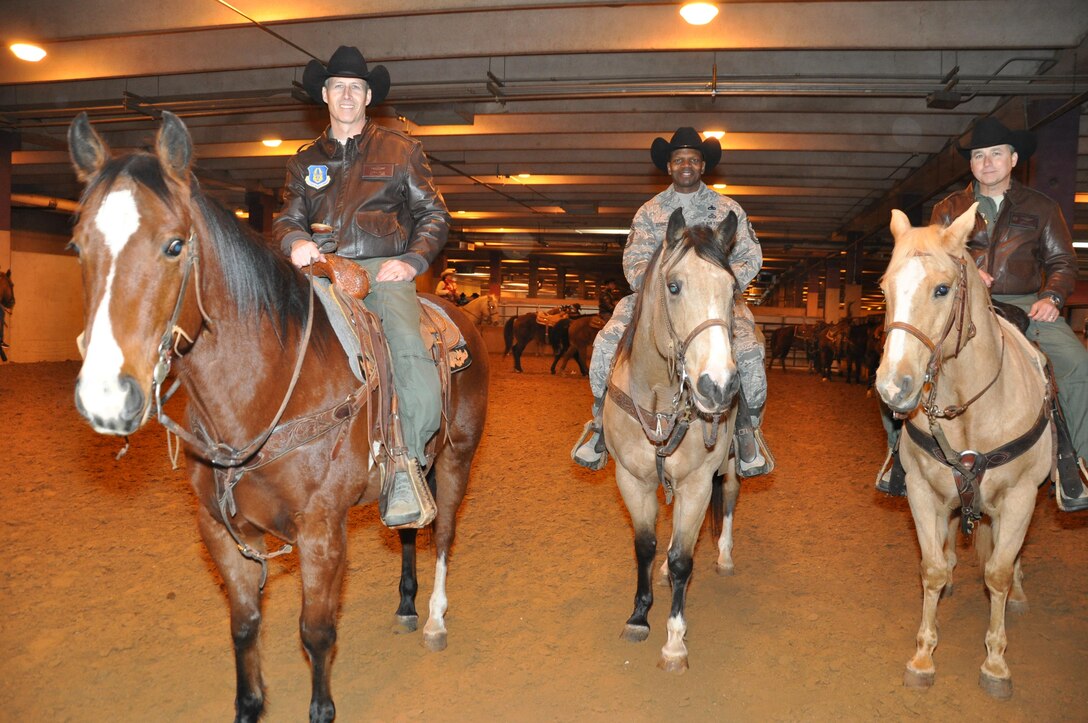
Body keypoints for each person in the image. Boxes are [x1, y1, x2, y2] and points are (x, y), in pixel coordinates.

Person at [273, 46, 450, 528]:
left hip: (381, 269)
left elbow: (432, 214)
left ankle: (405, 466)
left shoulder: (400, 150)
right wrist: (294, 241)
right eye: (338, 87)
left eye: (356, 87)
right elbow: (288, 214)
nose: (346, 95)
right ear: (324, 95)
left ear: (368, 95)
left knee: (406, 347)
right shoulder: (305, 158)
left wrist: (412, 260)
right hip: (320, 268)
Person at [877, 117, 1088, 512]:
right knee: (897, 362)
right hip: (961, 302)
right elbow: (926, 257)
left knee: (1077, 365)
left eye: (995, 154)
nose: (987, 162)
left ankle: (1075, 463)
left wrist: (1053, 297)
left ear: (1013, 159)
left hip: (1026, 304)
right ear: (971, 164)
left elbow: (1062, 261)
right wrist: (969, 269)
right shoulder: (948, 208)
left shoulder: (1042, 208)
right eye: (978, 156)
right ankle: (898, 459)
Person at [571, 127, 773, 476]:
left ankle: (746, 430)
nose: (686, 165)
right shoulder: (650, 211)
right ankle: (600, 423)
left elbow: (750, 255)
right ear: (669, 167)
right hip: (657, 299)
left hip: (715, 302)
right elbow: (633, 258)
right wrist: (657, 288)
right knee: (606, 341)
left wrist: (720, 284)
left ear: (702, 166)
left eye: (693, 160)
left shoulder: (728, 209)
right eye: (679, 160)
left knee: (749, 352)